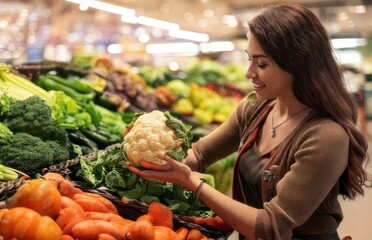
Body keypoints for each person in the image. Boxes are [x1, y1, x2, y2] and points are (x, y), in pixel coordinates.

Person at [127, 2, 370, 239]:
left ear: (297, 63)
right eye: (249, 59)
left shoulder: (326, 136)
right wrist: (153, 156)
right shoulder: (254, 109)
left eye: (262, 63)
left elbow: (270, 226)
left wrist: (193, 184)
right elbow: (200, 154)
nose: (248, 73)